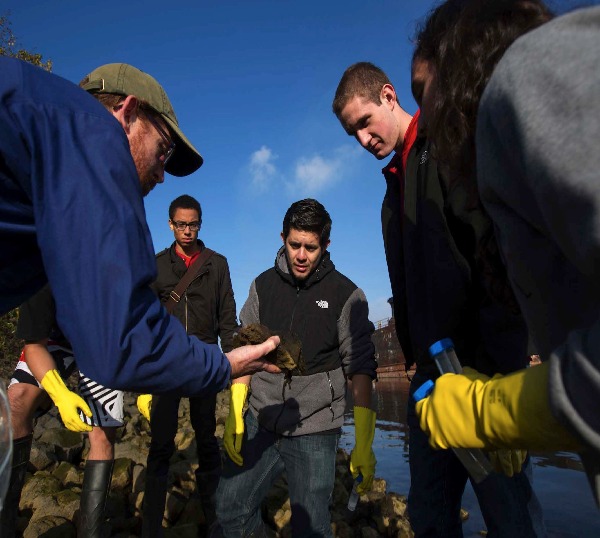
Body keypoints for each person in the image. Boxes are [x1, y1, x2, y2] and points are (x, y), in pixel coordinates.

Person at [333, 61, 546, 536]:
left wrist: (506, 375)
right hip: (429, 381)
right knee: (429, 517)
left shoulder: (451, 149)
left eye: (364, 123)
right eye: (352, 135)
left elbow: (493, 256)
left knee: (511, 516)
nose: (363, 141)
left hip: (484, 377)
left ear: (389, 96)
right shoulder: (390, 197)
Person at [408, 0, 600, 503]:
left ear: (460, 66)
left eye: (420, 93)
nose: (422, 121)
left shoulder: (532, 73)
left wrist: (491, 409)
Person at [0, 58, 280, 398]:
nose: (162, 175)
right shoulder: (93, 133)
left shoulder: (44, 130)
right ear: (127, 112)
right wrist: (226, 366)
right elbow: (121, 341)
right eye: (163, 151)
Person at [215, 199, 378, 537]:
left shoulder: (347, 294)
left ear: (326, 245)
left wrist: (364, 441)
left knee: (311, 528)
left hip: (316, 427)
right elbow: (244, 349)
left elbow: (360, 365)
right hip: (260, 417)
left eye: (311, 247)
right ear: (283, 238)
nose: (301, 255)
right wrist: (234, 413)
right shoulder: (261, 286)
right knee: (230, 511)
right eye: (294, 245)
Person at [137, 194, 238, 536]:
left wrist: (232, 367)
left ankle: (214, 519)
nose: (187, 230)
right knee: (160, 444)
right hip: (167, 365)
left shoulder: (217, 264)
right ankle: (151, 526)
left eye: (193, 224)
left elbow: (228, 318)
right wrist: (143, 374)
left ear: (200, 224)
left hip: (206, 362)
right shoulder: (157, 265)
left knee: (207, 438)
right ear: (170, 225)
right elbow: (146, 322)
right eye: (180, 224)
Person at [3, 284, 124, 537]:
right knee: (14, 405)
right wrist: (59, 394)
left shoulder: (116, 267)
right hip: (53, 341)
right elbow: (35, 346)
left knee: (102, 432)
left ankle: (90, 531)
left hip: (104, 344)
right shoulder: (41, 268)